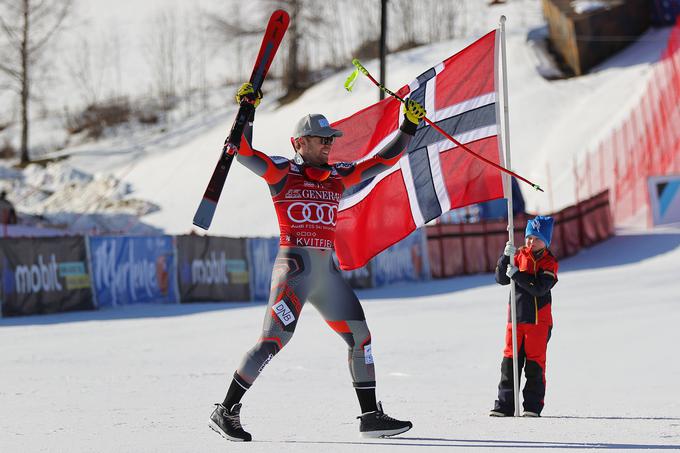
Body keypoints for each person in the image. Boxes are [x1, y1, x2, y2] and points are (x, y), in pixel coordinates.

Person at [208, 83, 426, 442]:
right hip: (294, 271)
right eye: (321, 139)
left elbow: (382, 161)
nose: (329, 144)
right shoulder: (281, 172)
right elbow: (243, 151)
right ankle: (225, 410)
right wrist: (248, 109)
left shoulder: (337, 177)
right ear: (300, 143)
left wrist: (408, 126)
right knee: (271, 342)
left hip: (325, 273)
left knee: (361, 337)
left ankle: (370, 416)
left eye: (330, 139)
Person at [490, 216, 558, 417]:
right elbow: (501, 278)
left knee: (535, 365)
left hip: (538, 322)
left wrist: (517, 275)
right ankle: (504, 405)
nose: (531, 242)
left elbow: (538, 288)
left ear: (545, 241)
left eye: (536, 239)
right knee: (509, 362)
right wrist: (504, 258)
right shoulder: (518, 255)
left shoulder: (549, 262)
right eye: (529, 237)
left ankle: (532, 406)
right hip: (515, 320)